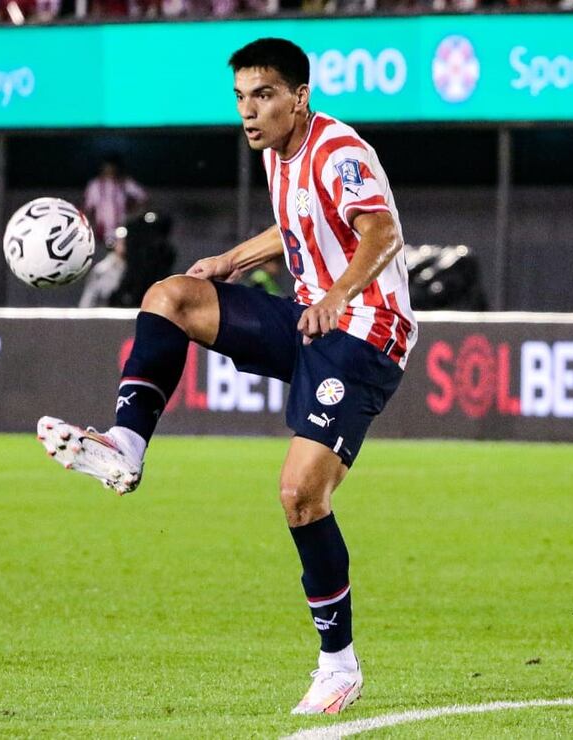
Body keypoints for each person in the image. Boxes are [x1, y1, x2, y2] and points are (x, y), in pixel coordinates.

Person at [38, 37, 417, 715]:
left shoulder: (338, 150)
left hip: (363, 334)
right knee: (170, 295)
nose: (249, 110)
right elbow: (298, 226)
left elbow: (381, 233)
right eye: (241, 97)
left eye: (264, 95)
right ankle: (126, 446)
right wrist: (232, 259)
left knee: (300, 495)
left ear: (299, 97)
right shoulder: (280, 154)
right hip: (309, 319)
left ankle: (339, 665)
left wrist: (338, 295)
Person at [83, 155, 148, 248]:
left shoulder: (124, 183)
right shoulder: (95, 185)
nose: (108, 170)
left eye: (111, 168)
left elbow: (142, 196)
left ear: (116, 168)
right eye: (106, 168)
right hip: (101, 230)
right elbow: (88, 207)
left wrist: (133, 211)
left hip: (120, 228)